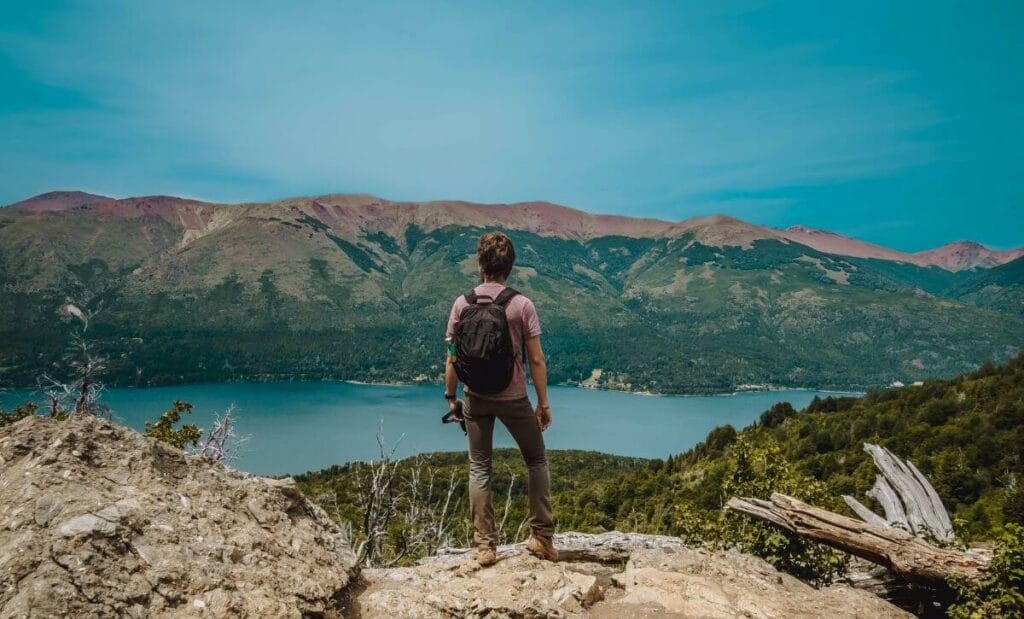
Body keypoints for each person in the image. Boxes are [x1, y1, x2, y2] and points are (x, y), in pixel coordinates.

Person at [444, 231, 557, 566]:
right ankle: (542, 538)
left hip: (475, 397)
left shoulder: (461, 303)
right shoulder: (521, 305)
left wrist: (452, 397)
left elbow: (452, 357)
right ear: (510, 266)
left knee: (479, 466)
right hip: (515, 398)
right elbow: (536, 359)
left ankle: (484, 547)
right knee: (536, 461)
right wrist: (543, 404)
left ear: (481, 265)